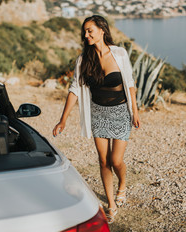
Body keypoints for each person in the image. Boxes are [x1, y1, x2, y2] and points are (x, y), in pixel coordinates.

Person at [52, 15, 141, 224]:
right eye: (84, 31)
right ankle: (111, 203)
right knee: (103, 160)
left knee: (116, 160)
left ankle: (122, 184)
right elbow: (74, 89)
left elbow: (129, 83)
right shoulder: (83, 60)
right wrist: (62, 119)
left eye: (90, 30)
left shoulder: (119, 53)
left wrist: (135, 111)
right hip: (97, 113)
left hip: (120, 113)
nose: (86, 35)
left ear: (102, 30)